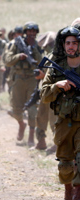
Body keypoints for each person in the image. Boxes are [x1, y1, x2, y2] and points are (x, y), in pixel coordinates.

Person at [40, 26, 80, 200]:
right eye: (68, 43)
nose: (71, 46)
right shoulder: (56, 65)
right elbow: (44, 95)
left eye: (74, 43)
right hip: (64, 121)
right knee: (65, 163)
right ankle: (68, 191)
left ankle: (77, 192)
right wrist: (57, 86)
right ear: (63, 45)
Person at [5, 22, 42, 146]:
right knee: (16, 109)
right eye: (29, 31)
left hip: (32, 80)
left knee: (32, 109)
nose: (31, 34)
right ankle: (21, 124)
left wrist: (35, 50)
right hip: (19, 79)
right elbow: (7, 61)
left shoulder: (37, 45)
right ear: (25, 32)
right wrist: (18, 56)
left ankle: (31, 136)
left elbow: (41, 62)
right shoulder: (16, 44)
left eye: (34, 32)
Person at [33, 31, 57, 152]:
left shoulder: (56, 55)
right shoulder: (48, 55)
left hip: (53, 91)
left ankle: (57, 144)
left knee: (54, 119)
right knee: (41, 116)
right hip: (45, 90)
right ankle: (41, 142)